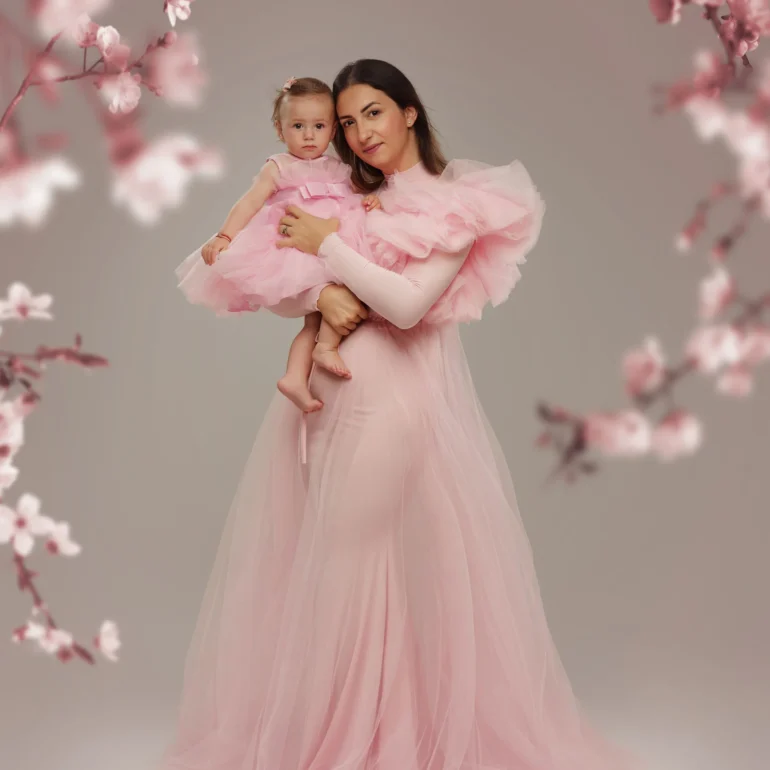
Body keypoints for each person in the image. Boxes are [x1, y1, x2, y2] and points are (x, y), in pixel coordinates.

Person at [159, 59, 640, 770]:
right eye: (347, 122)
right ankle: (363, 736)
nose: (359, 133)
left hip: (392, 402)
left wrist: (329, 248)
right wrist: (320, 293)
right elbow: (283, 284)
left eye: (374, 112)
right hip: (327, 400)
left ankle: (353, 747)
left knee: (354, 564)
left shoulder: (457, 204)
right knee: (331, 565)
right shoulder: (348, 194)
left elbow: (408, 306)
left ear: (410, 111)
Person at [175, 76, 381, 413]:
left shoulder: (338, 168)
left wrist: (370, 202)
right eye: (298, 126)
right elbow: (249, 203)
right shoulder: (279, 167)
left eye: (319, 126)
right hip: (295, 248)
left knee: (319, 317)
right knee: (321, 307)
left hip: (331, 245)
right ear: (280, 129)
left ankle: (296, 375)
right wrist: (225, 236)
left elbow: (354, 199)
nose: (309, 135)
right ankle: (323, 351)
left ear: (332, 130)